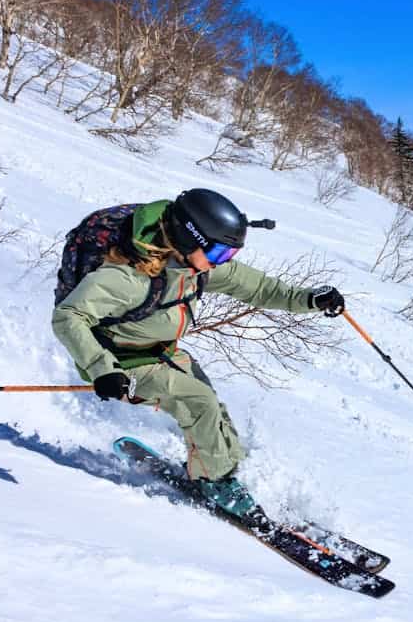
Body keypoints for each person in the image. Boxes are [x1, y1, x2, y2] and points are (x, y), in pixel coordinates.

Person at [51, 188, 345, 518]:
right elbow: (69, 316)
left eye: (229, 254)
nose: (223, 262)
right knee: (198, 402)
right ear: (189, 240)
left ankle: (225, 468)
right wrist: (102, 369)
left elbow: (261, 288)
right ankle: (214, 481)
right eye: (219, 253)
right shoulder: (127, 278)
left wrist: (308, 300)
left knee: (209, 404)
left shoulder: (196, 264)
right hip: (118, 362)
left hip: (157, 352)